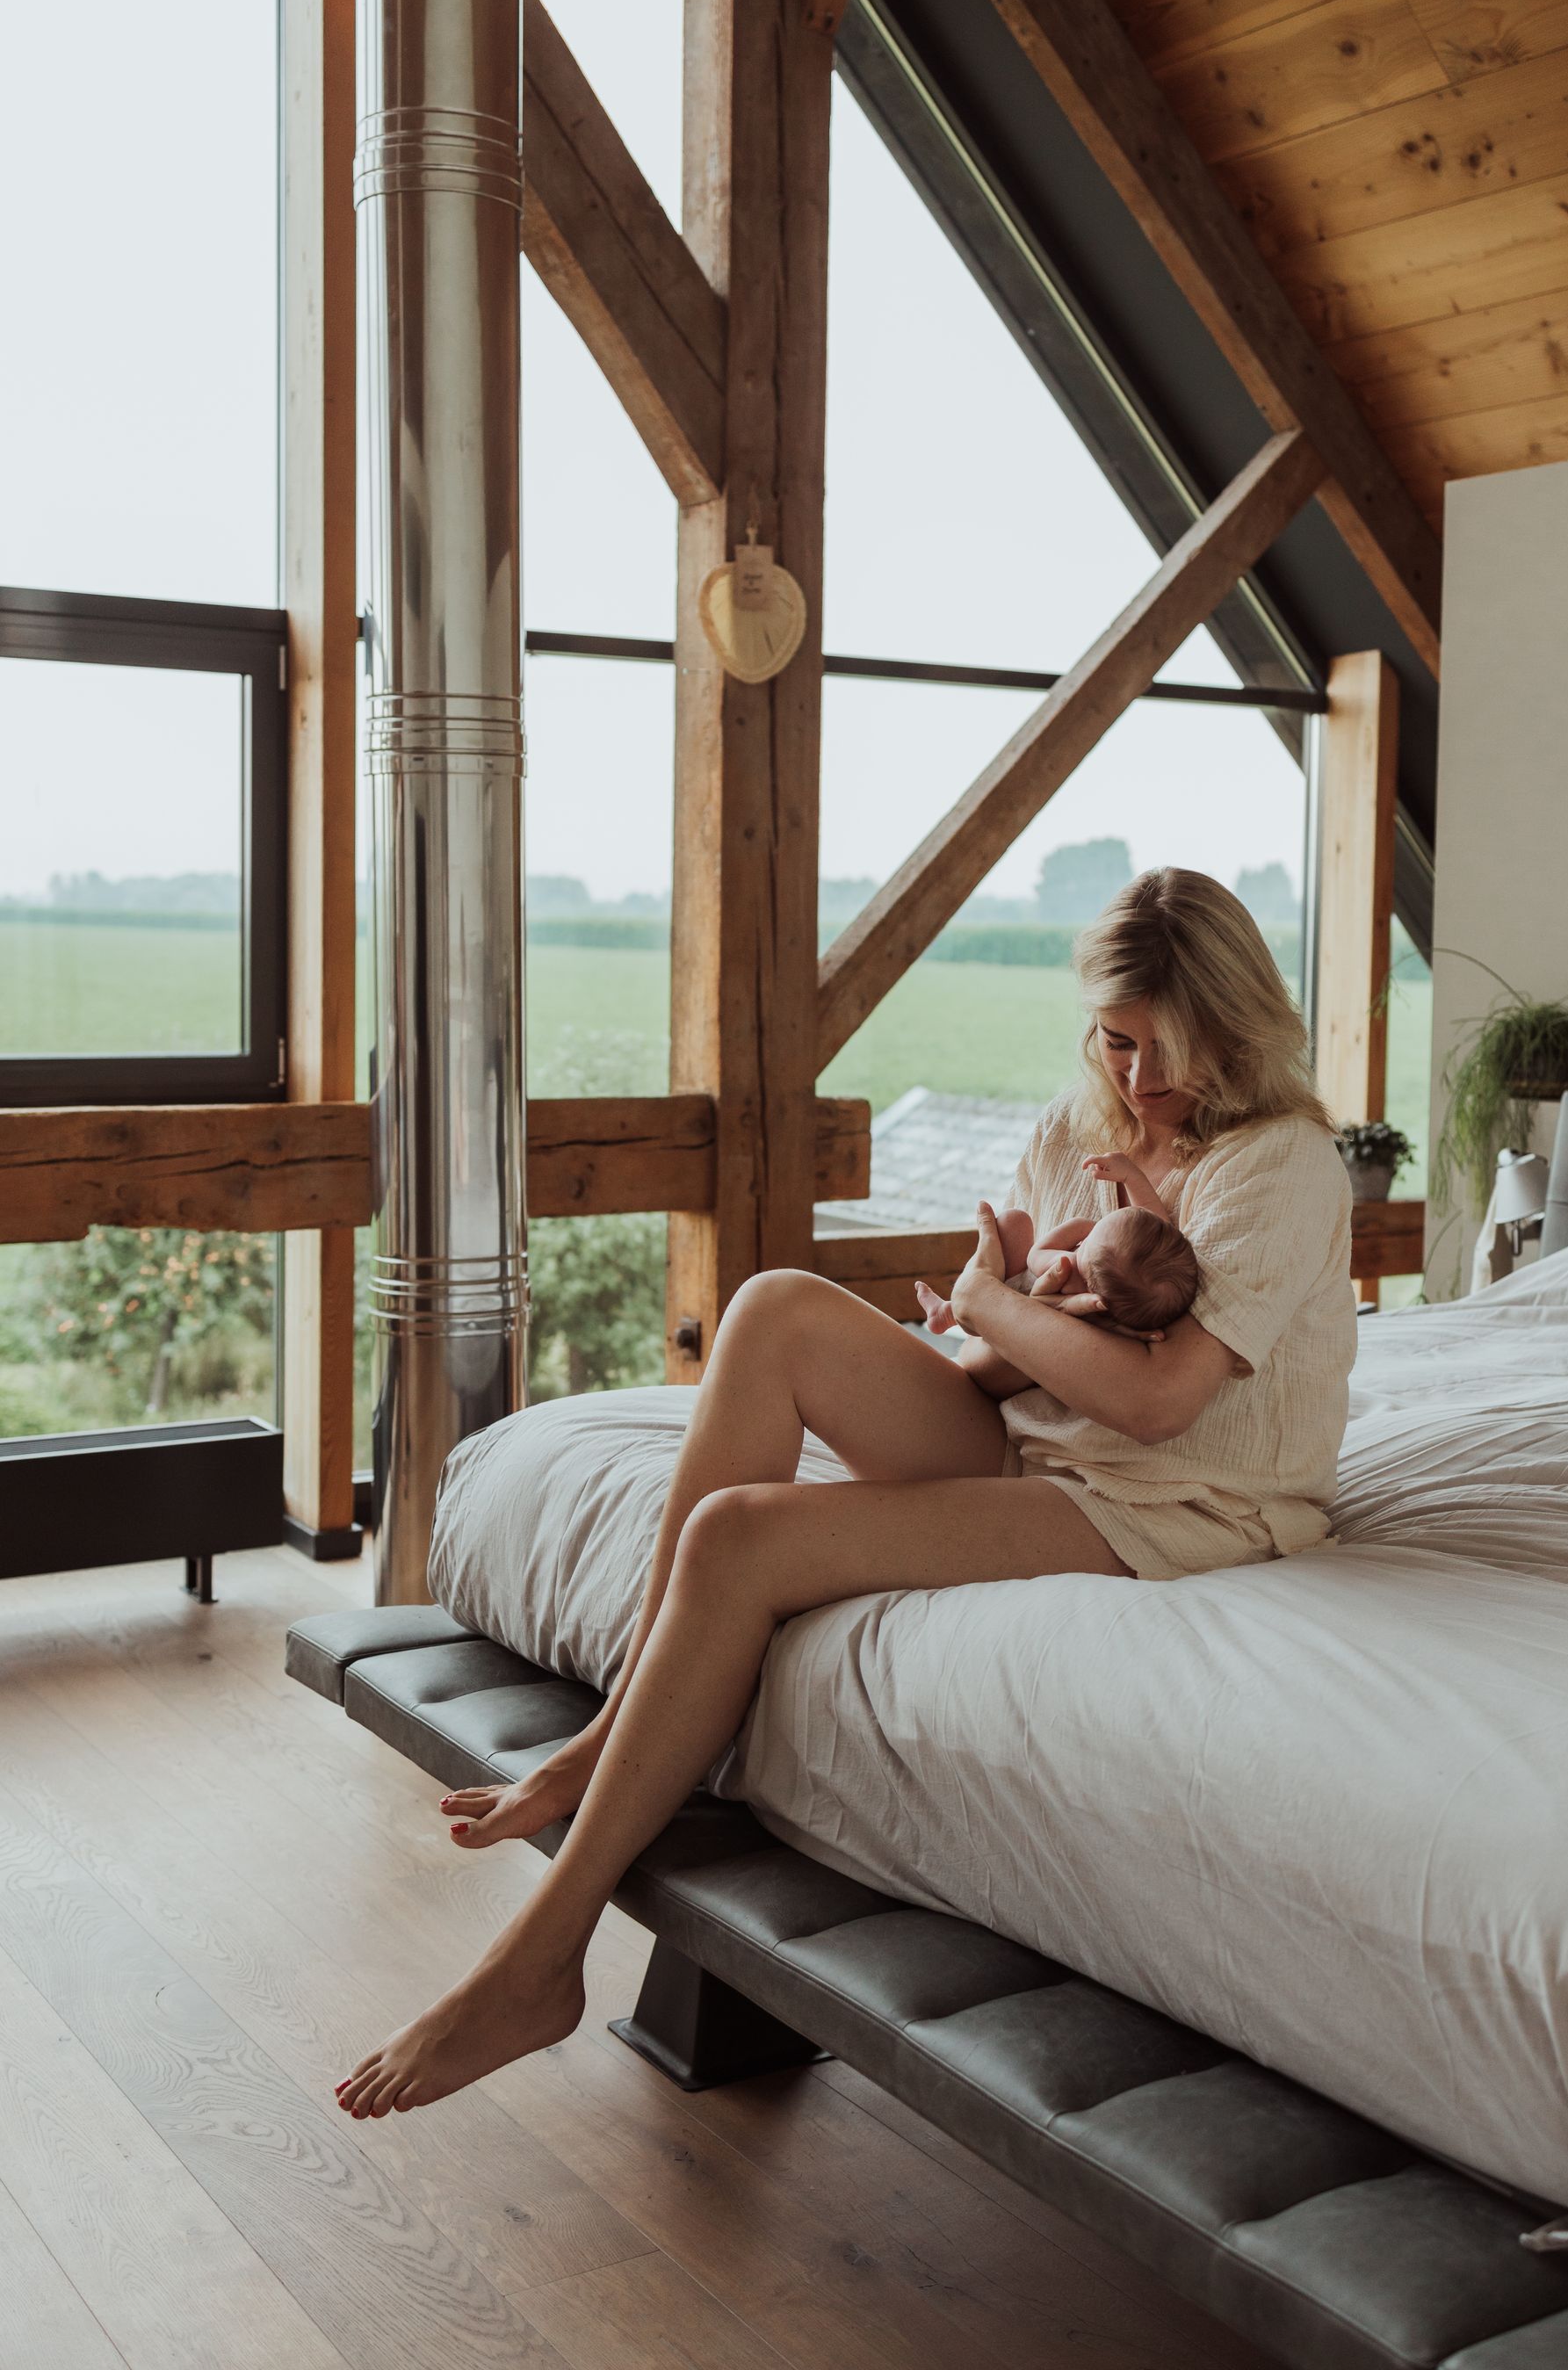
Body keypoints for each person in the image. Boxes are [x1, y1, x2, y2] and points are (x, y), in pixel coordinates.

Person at [336, 867, 1355, 2120]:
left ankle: (538, 1958)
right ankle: (605, 1740)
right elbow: (999, 1366)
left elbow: (1156, 1404)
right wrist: (1005, 1315)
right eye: (1116, 1040)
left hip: (1176, 1502)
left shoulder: (1280, 1163)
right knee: (772, 1308)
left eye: (1166, 1050)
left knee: (742, 1537)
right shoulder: (1075, 1131)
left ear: (1233, 1028)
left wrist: (986, 1301)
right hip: (1039, 1443)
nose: (1138, 1079)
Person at [914, 1149, 1199, 1341]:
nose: (1091, 1230)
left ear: (1086, 1275)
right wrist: (1131, 1177)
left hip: (1011, 1296)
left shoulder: (1068, 1269)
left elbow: (1035, 1257)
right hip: (1017, 1308)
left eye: (1088, 1241)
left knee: (1013, 1221)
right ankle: (947, 1312)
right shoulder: (1113, 1290)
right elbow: (1153, 1218)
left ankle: (948, 1313)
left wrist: (1077, 1226)